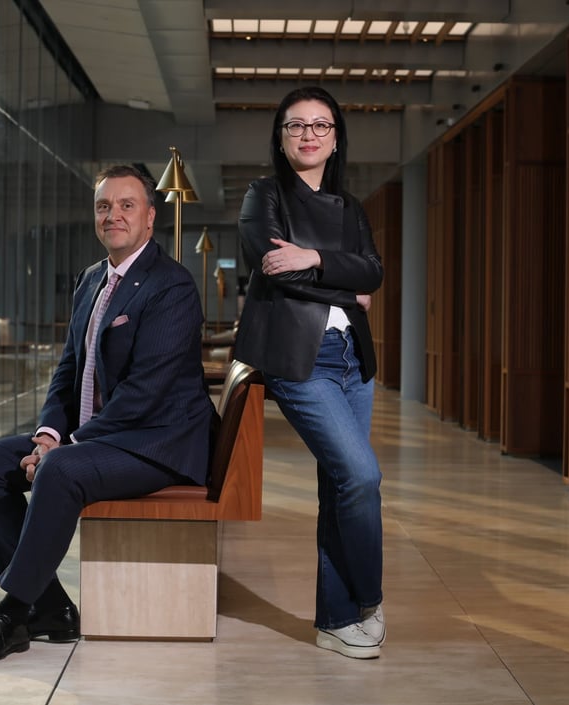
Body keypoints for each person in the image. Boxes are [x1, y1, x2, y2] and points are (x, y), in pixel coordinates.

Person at [0, 164, 217, 662]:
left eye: (126, 205)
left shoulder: (171, 285)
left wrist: (66, 447)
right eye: (103, 206)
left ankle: (12, 614)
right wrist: (49, 433)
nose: (113, 215)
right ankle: (49, 606)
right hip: (105, 438)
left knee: (62, 470)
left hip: (158, 443)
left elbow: (146, 394)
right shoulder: (93, 279)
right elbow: (70, 369)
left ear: (150, 218)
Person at [235, 86, 386, 659]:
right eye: (296, 125)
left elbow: (373, 272)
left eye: (321, 125)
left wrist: (316, 258)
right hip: (301, 361)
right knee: (362, 476)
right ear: (281, 136)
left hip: (354, 362)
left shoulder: (350, 208)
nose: (308, 134)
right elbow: (274, 269)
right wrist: (346, 288)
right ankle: (369, 599)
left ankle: (335, 619)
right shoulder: (264, 195)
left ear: (335, 138)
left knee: (341, 485)